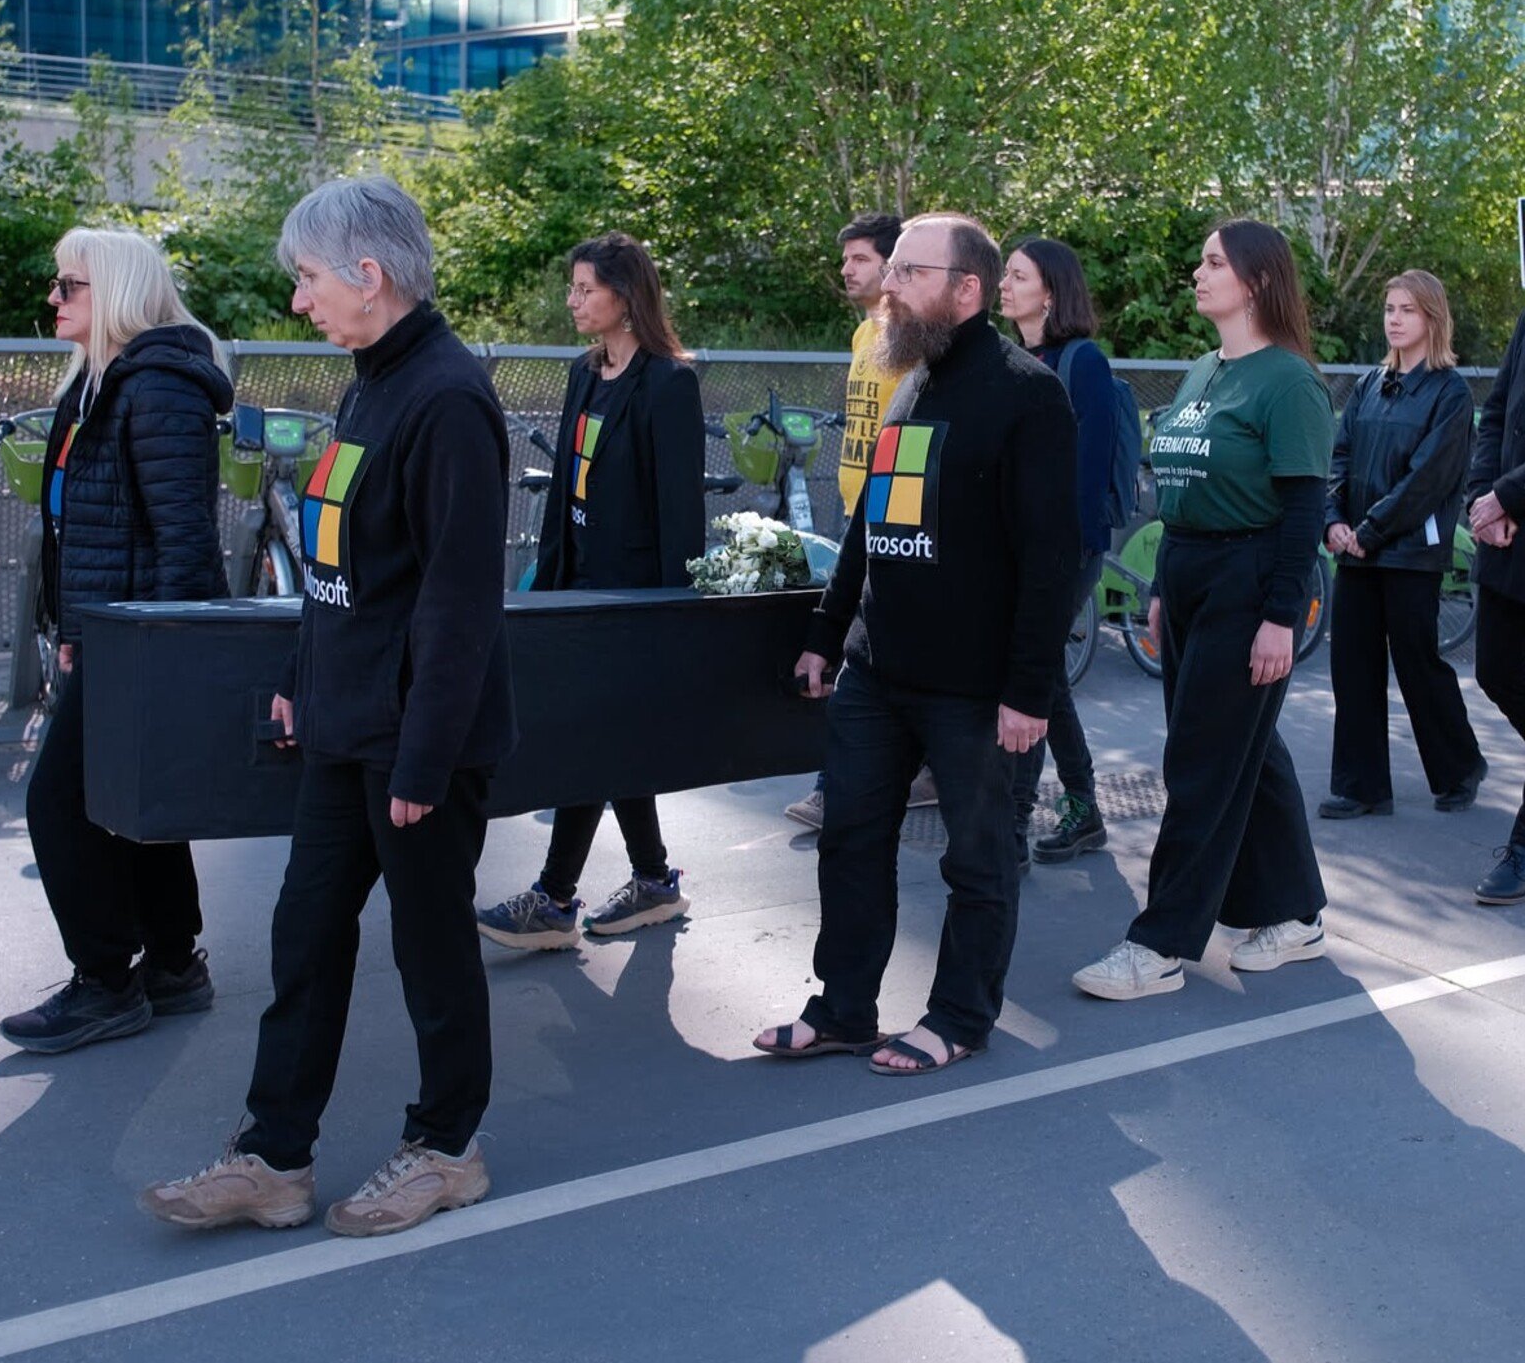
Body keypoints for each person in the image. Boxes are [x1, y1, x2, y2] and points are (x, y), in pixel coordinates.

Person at [139, 176, 517, 1238]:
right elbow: (341, 567)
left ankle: (448, 1148)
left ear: (369, 273)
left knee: (433, 949)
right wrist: (302, 678)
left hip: (415, 743)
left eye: (307, 278)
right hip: (346, 723)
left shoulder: (446, 397)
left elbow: (458, 602)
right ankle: (274, 1157)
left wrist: (425, 762)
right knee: (305, 935)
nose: (299, 301)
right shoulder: (368, 385)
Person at [753, 212, 1079, 1075]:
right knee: (849, 840)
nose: (887, 286)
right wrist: (827, 632)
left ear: (965, 290)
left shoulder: (1028, 395)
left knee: (979, 859)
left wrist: (1028, 693)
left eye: (908, 272)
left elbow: (1051, 562)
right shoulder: (908, 383)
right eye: (888, 270)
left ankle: (961, 1016)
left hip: (974, 689)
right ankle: (844, 1009)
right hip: (877, 671)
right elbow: (869, 527)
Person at [1074, 219, 1332, 1000]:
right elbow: (1183, 497)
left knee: (1201, 759)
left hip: (1250, 577)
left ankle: (1160, 945)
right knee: (1247, 747)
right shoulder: (1201, 371)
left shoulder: (1289, 382)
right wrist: (1160, 593)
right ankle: (1297, 916)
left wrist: (1281, 616)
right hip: (1188, 571)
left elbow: (1303, 511)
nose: (1198, 271)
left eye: (1213, 261)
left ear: (1254, 280)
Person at [0, 228, 231, 1055]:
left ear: (119, 294)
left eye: (70, 287)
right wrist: (73, 628)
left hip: (144, 638)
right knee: (131, 804)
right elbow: (80, 524)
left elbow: (185, 537)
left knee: (58, 803)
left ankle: (104, 981)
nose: (54, 299)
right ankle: (170, 965)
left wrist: (167, 652)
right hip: (111, 631)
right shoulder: (98, 382)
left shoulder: (157, 387)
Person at [474, 232, 705, 950]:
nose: (572, 301)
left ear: (625, 295)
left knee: (592, 736)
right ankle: (653, 880)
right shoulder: (584, 373)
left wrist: (674, 617)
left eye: (585, 289)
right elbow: (563, 492)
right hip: (575, 586)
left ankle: (556, 895)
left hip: (632, 599)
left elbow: (680, 516)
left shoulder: (669, 383)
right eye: (572, 288)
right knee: (605, 737)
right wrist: (547, 580)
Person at [785, 212, 940, 831]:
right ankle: (915, 770)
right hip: (856, 510)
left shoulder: (912, 338)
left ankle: (837, 786)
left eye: (860, 260)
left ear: (893, 265)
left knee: (859, 652)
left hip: (893, 517)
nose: (847, 269)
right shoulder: (861, 337)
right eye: (844, 258)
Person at [1321, 270, 1484, 820]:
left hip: (1411, 553)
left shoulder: (1450, 392)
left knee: (1417, 664)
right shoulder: (1369, 383)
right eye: (1389, 308)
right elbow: (1338, 458)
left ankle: (1459, 768)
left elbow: (1428, 480)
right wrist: (1333, 523)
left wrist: (1368, 531)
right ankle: (1361, 787)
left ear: (1432, 319)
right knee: (1352, 664)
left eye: (1407, 310)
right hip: (1356, 551)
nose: (1394, 318)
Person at [999, 238, 1117, 870]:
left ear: (1051, 290)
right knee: (1041, 674)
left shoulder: (1082, 361)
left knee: (1034, 671)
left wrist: (1044, 559)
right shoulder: (1011, 356)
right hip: (1017, 551)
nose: (1003, 284)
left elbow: (1085, 475)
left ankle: (1016, 825)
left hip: (1064, 551)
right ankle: (1082, 806)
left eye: (1017, 276)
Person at [1467, 304, 1525, 903]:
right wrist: (1483, 499)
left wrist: (1508, 494)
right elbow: (1496, 413)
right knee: (1495, 671)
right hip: (1510, 535)